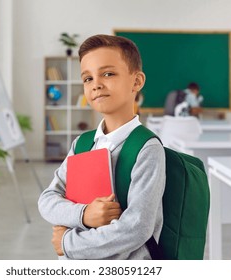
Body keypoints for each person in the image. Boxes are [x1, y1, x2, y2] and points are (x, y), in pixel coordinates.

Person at [38, 34, 166, 260]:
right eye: (87, 78)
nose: (96, 84)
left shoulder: (147, 148)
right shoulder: (83, 144)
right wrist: (84, 214)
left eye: (108, 74)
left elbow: (136, 228)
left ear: (136, 82)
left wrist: (69, 244)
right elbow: (47, 200)